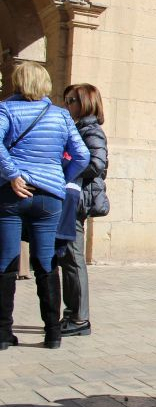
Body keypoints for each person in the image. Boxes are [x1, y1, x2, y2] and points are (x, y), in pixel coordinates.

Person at [0, 61, 89, 351]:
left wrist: (13, 175)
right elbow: (82, 155)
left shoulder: (5, 110)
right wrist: (58, 178)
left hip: (12, 195)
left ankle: (3, 334)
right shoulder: (61, 115)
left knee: (6, 262)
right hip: (49, 197)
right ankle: (52, 334)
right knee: (46, 262)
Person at [59, 84, 109, 337]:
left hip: (77, 199)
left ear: (86, 103)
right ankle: (73, 314)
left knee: (73, 257)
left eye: (71, 100)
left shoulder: (91, 130)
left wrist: (66, 173)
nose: (67, 104)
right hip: (74, 198)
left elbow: (97, 163)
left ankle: (79, 318)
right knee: (68, 257)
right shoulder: (80, 127)